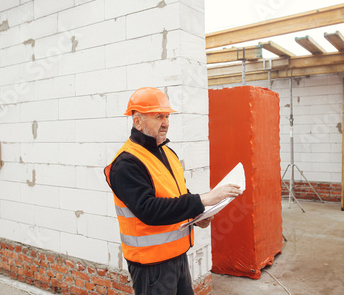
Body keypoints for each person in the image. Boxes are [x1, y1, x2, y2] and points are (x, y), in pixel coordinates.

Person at [104, 87, 242, 295]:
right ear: (138, 121)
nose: (166, 123)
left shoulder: (167, 152)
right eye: (159, 116)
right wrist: (203, 199)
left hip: (177, 255)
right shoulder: (126, 163)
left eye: (167, 116)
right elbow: (149, 210)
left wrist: (196, 215)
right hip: (151, 265)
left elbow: (177, 196)